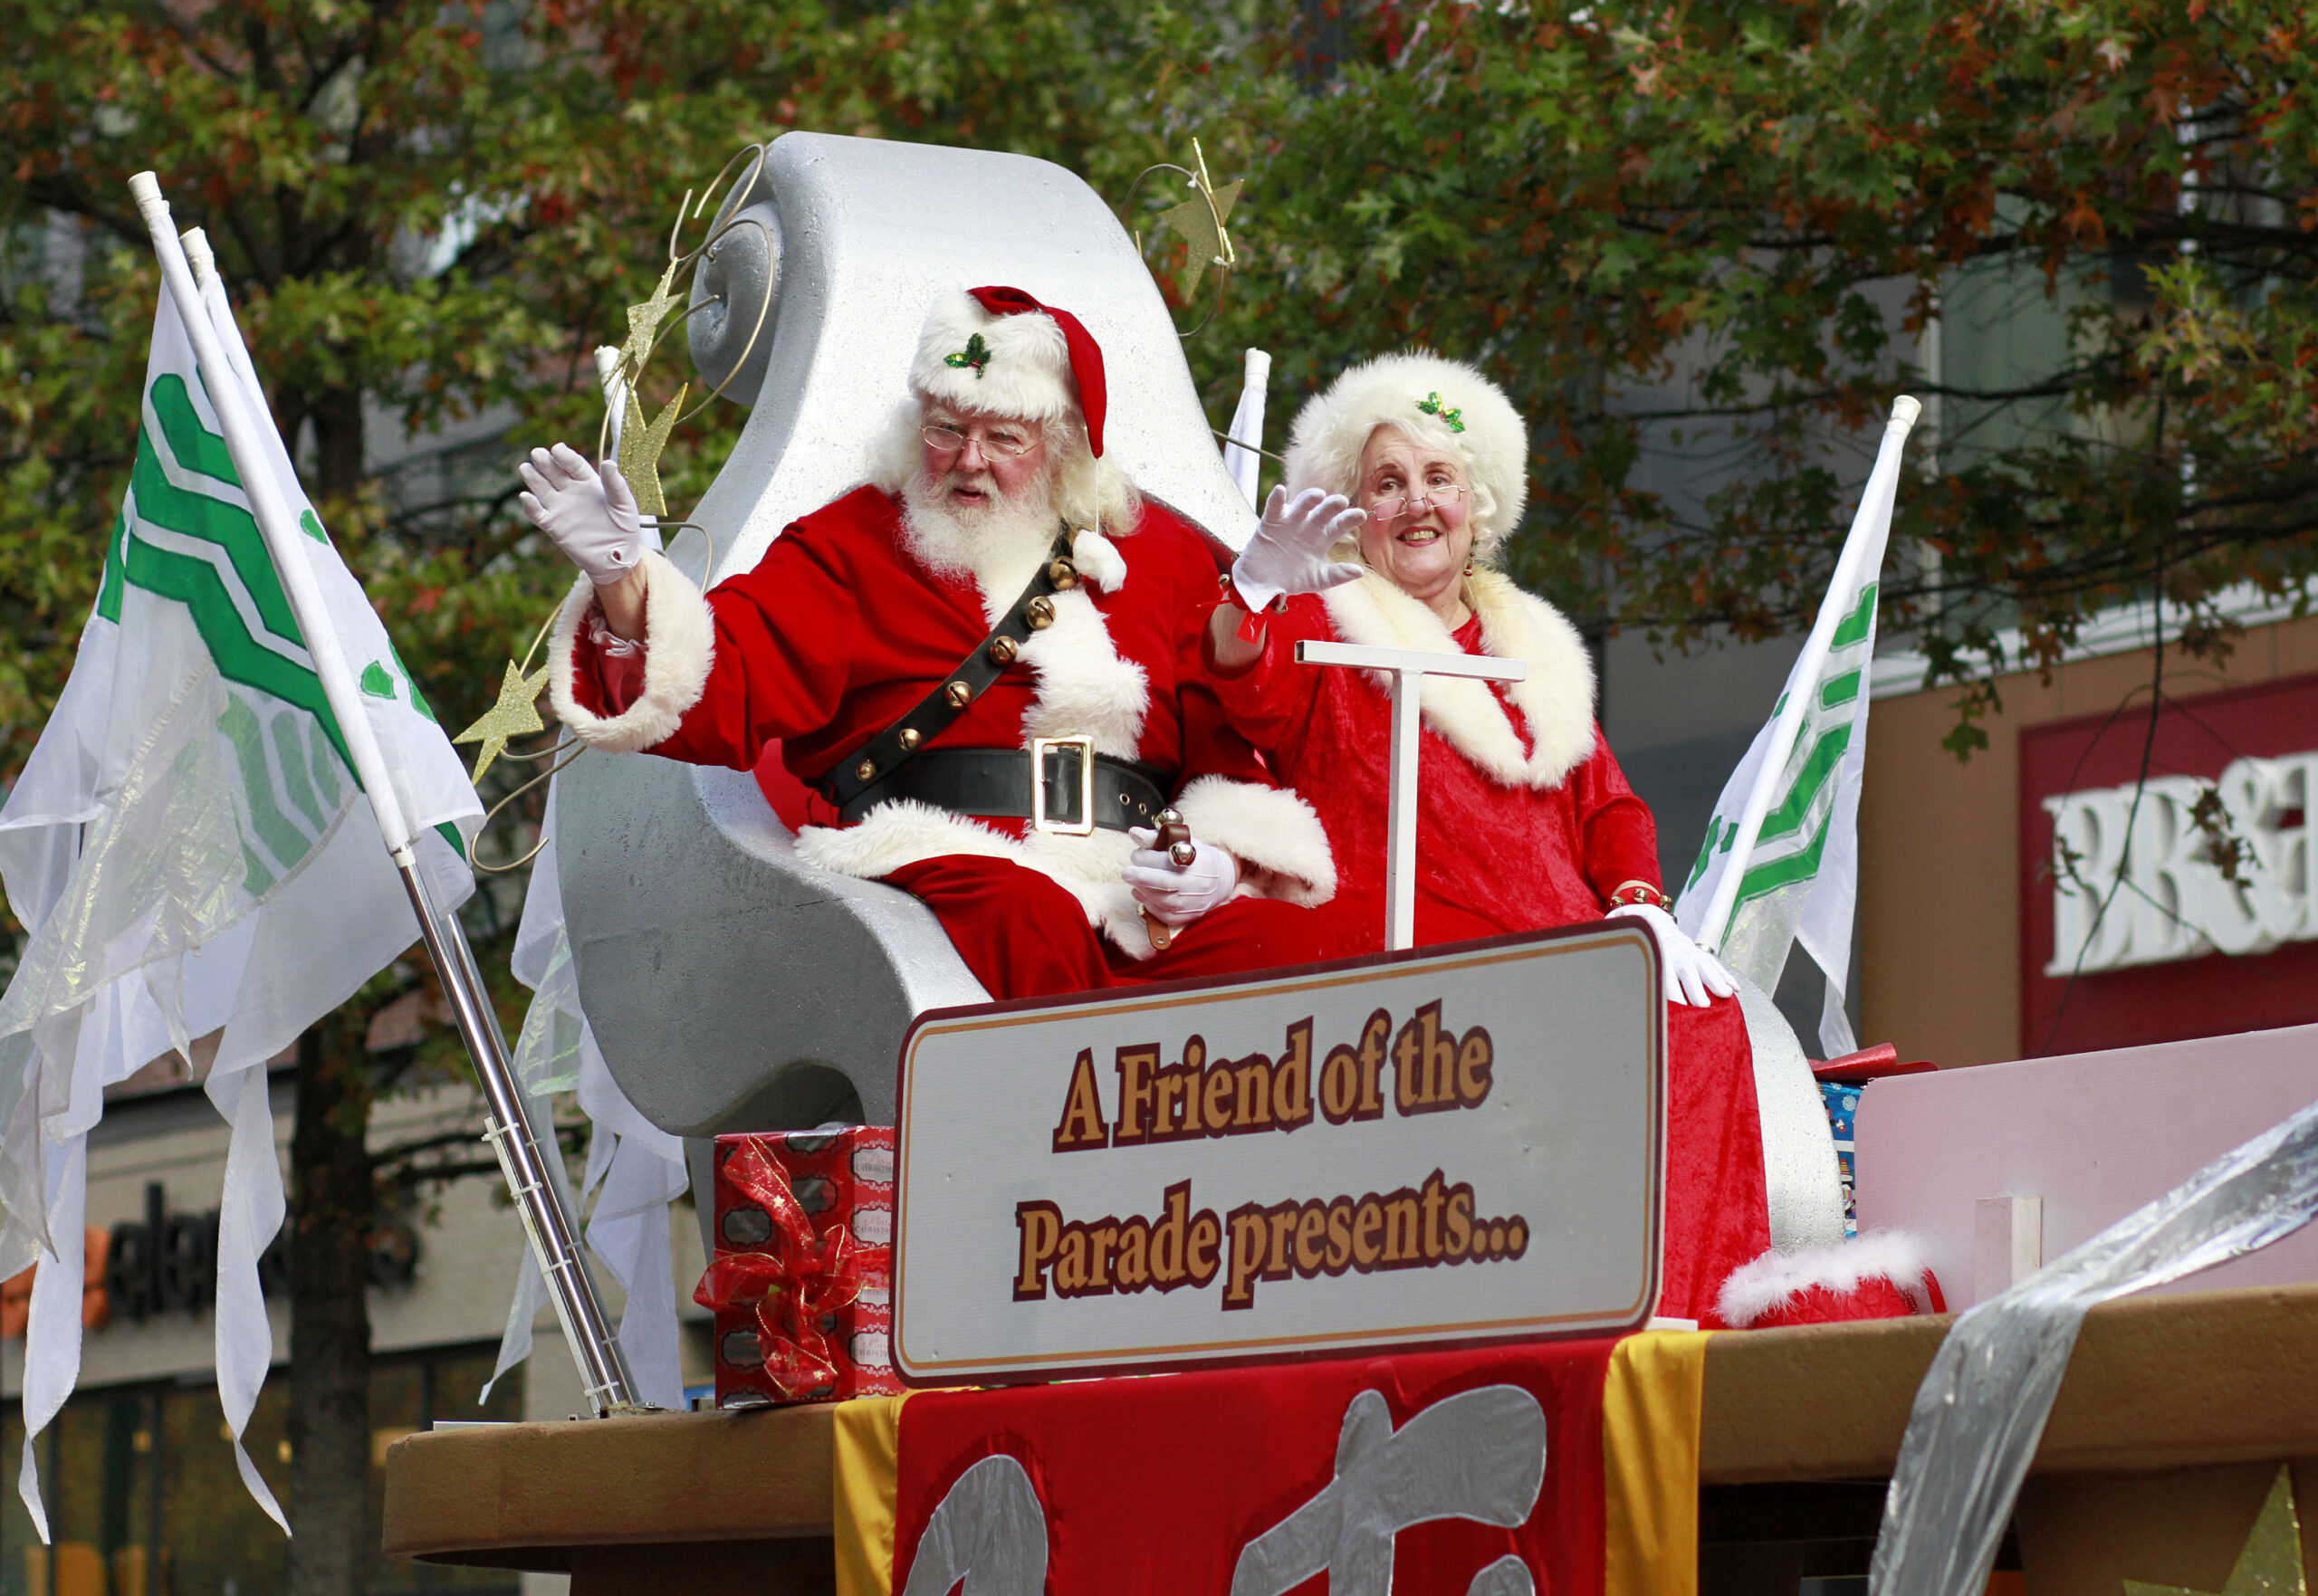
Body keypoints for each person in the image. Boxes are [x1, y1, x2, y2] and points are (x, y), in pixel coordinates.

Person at [521, 285, 1338, 1001]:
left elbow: (1234, 749)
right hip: (945, 854)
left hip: (1133, 885)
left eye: (1005, 440)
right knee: (1030, 920)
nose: (968, 462)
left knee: (1298, 956)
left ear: (1060, 450)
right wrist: (624, 581)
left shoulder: (1160, 553)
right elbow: (724, 675)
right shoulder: (854, 542)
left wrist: (1221, 863)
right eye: (947, 429)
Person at [1202, 351, 1769, 1324]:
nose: (1415, 504)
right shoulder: (1323, 623)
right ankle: (1592, 1306)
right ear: (1354, 509)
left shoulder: (1533, 648)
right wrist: (1252, 590)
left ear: (1479, 502)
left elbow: (1612, 810)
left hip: (1566, 936)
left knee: (1703, 1017)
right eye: (1386, 484)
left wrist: (1640, 906)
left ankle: (1693, 1312)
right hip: (1414, 949)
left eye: (1437, 479)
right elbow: (1241, 688)